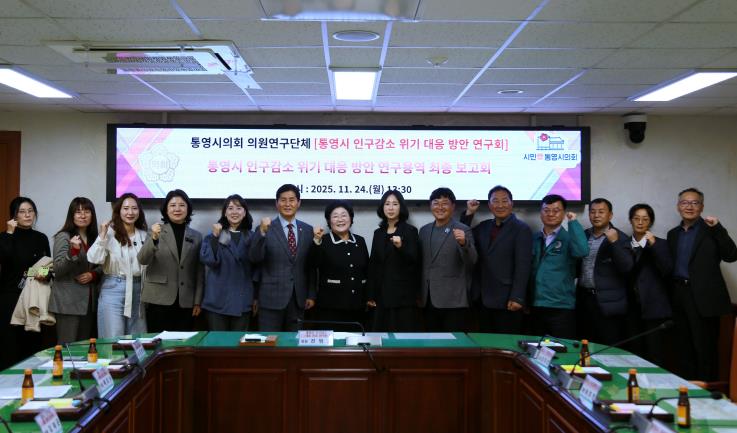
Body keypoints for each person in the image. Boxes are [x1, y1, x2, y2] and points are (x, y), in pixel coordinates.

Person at [667, 187, 737, 380]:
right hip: (679, 295)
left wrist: (718, 228)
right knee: (683, 348)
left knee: (705, 349)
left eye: (694, 202)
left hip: (705, 299)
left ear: (702, 207)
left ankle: (706, 391)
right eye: (685, 202)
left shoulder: (712, 230)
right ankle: (685, 388)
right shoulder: (673, 234)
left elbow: (731, 255)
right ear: (678, 206)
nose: (689, 206)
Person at [461, 185, 532, 334]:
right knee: (484, 343)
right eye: (495, 201)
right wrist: (469, 213)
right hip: (482, 298)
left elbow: (523, 266)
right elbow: (463, 236)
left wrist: (518, 297)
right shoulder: (483, 227)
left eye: (504, 201)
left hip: (507, 299)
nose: (500, 205)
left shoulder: (521, 229)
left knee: (505, 343)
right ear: (489, 205)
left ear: (512, 204)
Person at [249, 184, 315, 331]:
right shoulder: (265, 228)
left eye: (291, 200)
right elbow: (254, 258)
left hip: (298, 299)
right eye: (283, 200)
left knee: (294, 342)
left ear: (298, 203)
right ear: (277, 203)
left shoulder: (308, 230)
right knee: (269, 341)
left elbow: (310, 266)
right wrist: (262, 233)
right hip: (270, 299)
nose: (287, 204)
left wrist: (311, 294)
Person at [138, 189, 204, 333]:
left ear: (188, 209)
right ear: (166, 209)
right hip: (158, 299)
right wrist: (154, 239)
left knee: (183, 343)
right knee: (158, 343)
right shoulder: (155, 231)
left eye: (182, 205)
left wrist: (197, 301)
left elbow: (199, 272)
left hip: (186, 301)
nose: (177, 209)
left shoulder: (197, 236)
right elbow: (142, 259)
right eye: (173, 205)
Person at [88, 193, 148, 338]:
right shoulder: (109, 233)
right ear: (118, 211)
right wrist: (102, 235)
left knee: (137, 338)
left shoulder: (144, 235)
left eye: (134, 208)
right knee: (113, 337)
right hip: (113, 288)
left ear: (139, 211)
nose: (130, 212)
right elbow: (93, 258)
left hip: (138, 289)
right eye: (125, 208)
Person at [0, 197, 51, 369]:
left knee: (32, 344)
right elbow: (4, 258)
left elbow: (48, 265)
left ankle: (31, 380)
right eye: (22, 212)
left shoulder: (41, 238)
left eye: (30, 211)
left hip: (34, 297)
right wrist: (9, 233)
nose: (27, 215)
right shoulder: (5, 236)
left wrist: (44, 274)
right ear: (14, 215)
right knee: (9, 345)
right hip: (10, 297)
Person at [530, 194, 589, 339]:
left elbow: (582, 251)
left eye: (556, 210)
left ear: (563, 214)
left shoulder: (570, 238)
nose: (551, 214)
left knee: (562, 348)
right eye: (546, 210)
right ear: (540, 213)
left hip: (561, 305)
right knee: (534, 347)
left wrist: (573, 223)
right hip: (536, 304)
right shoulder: (534, 238)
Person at [418, 187, 477, 332]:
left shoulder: (462, 229)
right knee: (431, 342)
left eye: (445, 203)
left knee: (453, 344)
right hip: (428, 300)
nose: (440, 207)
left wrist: (464, 244)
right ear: (430, 206)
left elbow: (472, 261)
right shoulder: (424, 230)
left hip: (453, 301)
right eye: (436, 203)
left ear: (453, 207)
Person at [576, 198, 633, 345]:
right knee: (585, 343)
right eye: (592, 212)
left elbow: (627, 267)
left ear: (610, 215)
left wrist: (614, 243)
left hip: (608, 302)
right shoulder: (584, 235)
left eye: (601, 212)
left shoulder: (620, 237)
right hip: (584, 297)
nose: (596, 215)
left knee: (608, 344)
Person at [309, 200, 370, 331]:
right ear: (329, 221)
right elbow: (312, 264)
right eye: (335, 216)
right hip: (330, 308)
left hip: (358, 307)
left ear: (350, 218)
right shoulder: (322, 240)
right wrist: (316, 241)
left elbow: (367, 271)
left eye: (344, 215)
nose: (340, 219)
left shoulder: (360, 241)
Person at [200, 194, 256, 331]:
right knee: (218, 343)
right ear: (225, 213)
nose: (234, 212)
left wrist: (256, 297)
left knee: (239, 343)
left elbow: (258, 268)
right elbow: (209, 260)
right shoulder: (213, 236)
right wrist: (215, 237)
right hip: (217, 300)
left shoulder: (253, 237)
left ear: (245, 213)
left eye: (239, 208)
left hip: (243, 300)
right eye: (230, 208)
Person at [625, 203, 672, 365]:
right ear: (630, 220)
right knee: (633, 353)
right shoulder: (623, 243)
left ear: (650, 222)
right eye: (636, 218)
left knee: (655, 353)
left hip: (654, 307)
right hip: (630, 308)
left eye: (645, 219)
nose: (640, 222)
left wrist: (654, 245)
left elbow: (667, 269)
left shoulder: (661, 243)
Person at [367, 190, 421, 332]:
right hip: (381, 296)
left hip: (402, 297)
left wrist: (401, 247)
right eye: (387, 204)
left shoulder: (410, 231)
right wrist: (370, 294)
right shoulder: (378, 233)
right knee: (381, 336)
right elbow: (373, 264)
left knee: (401, 338)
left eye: (395, 204)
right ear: (382, 207)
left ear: (401, 207)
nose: (390, 208)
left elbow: (414, 261)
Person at [49, 197, 101, 343]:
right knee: (68, 348)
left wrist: (93, 274)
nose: (83, 215)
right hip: (68, 303)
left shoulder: (95, 238)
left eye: (87, 211)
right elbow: (58, 269)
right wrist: (73, 252)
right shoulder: (63, 236)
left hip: (89, 303)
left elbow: (103, 265)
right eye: (78, 212)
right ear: (71, 215)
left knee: (84, 348)